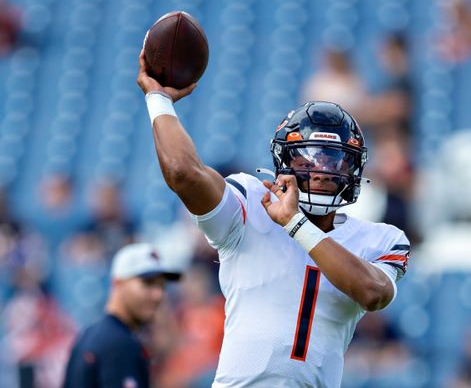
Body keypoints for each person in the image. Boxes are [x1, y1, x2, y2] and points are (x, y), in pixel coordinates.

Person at [137, 46, 410, 387]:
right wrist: (159, 100)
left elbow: (374, 292)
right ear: (284, 162)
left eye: (334, 160)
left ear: (354, 169)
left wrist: (296, 224)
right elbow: (182, 172)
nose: (322, 171)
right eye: (308, 159)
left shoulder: (381, 239)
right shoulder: (251, 201)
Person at [62, 242, 181, 388]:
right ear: (118, 284)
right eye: (148, 283)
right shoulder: (119, 344)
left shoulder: (92, 334)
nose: (158, 294)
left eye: (162, 285)